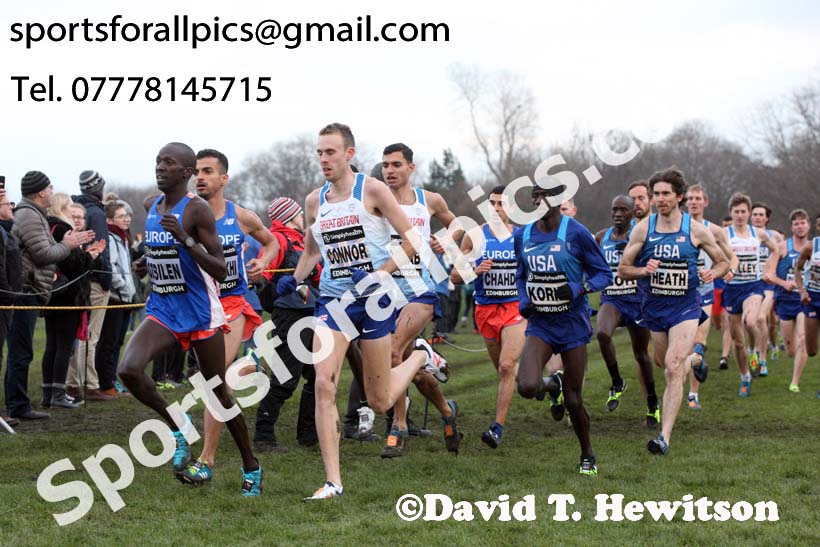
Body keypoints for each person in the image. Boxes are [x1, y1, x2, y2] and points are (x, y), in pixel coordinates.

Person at [278, 123, 448, 500]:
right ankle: (333, 482)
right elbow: (311, 250)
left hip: (374, 301)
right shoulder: (313, 201)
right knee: (324, 383)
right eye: (319, 152)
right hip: (334, 303)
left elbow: (414, 241)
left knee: (380, 400)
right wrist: (295, 278)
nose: (323, 159)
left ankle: (420, 355)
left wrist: (379, 274)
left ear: (349, 154)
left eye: (331, 152)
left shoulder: (371, 190)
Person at [118, 142, 262, 496]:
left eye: (169, 163)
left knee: (219, 395)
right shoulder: (152, 205)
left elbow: (220, 266)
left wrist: (183, 239)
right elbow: (159, 253)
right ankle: (178, 426)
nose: (160, 167)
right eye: (157, 161)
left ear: (186, 172)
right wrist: (146, 263)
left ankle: (251, 465)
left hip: (200, 311)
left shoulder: (196, 211)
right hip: (164, 308)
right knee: (129, 370)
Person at [168, 148, 276, 486]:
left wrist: (263, 264)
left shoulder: (240, 216)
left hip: (232, 303)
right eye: (197, 171)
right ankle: (251, 365)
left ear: (223, 179)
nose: (200, 177)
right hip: (196, 304)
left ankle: (206, 460)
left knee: (216, 384)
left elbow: (271, 242)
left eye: (208, 171)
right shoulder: (185, 213)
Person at [619, 167, 728, 456]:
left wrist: (711, 274)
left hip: (685, 306)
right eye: (656, 194)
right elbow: (623, 269)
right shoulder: (644, 228)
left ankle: (663, 437)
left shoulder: (694, 229)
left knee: (672, 366)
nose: (659, 198)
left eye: (666, 193)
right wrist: (644, 270)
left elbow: (723, 262)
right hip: (655, 306)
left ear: (679, 197)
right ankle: (697, 359)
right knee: (662, 361)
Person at [516, 183, 612, 475]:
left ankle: (587, 453)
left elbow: (603, 274)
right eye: (535, 197)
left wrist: (578, 287)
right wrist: (523, 300)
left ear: (558, 201)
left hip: (571, 323)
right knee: (527, 386)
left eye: (545, 196)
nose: (539, 201)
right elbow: (521, 275)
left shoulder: (577, 233)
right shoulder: (523, 234)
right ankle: (551, 385)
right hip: (541, 323)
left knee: (573, 399)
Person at [6, 172, 94, 420]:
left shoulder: (35, 215)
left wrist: (66, 243)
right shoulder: (29, 216)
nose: (52, 191)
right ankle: (17, 406)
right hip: (25, 291)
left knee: (24, 350)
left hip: (32, 290)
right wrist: (69, 244)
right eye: (50, 187)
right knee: (20, 351)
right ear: (41, 192)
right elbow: (44, 254)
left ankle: (19, 403)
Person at [450, 185, 525, 447]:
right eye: (492, 204)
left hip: (515, 307)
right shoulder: (474, 236)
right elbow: (454, 277)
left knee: (507, 366)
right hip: (485, 309)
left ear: (512, 208)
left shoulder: (522, 236)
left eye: (501, 204)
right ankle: (549, 386)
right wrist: (475, 270)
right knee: (507, 374)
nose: (495, 209)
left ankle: (497, 428)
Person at [253, 197, 321, 453]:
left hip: (313, 312)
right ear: (290, 215)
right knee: (285, 378)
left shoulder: (304, 239)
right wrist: (273, 288)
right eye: (298, 213)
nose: (302, 217)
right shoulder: (278, 239)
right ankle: (263, 436)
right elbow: (262, 274)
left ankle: (308, 433)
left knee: (317, 376)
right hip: (290, 316)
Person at [593, 195, 659, 426]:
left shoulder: (640, 235)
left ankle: (652, 403)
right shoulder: (602, 237)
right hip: (612, 298)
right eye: (614, 209)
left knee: (641, 355)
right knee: (602, 334)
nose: (618, 214)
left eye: (623, 210)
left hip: (637, 300)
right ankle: (617, 382)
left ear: (633, 212)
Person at [42, 193, 106, 410]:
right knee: (63, 347)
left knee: (52, 345)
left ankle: (48, 392)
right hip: (68, 296)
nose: (72, 209)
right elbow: (73, 265)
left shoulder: (48, 227)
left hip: (54, 295)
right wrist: (91, 257)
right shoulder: (62, 229)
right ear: (61, 207)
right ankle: (58, 393)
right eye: (70, 205)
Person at [682, 184, 736, 410]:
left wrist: (729, 269)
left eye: (698, 198)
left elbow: (731, 257)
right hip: (678, 293)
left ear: (706, 202)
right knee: (675, 352)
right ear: (685, 202)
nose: (694, 202)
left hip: (704, 290)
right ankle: (696, 360)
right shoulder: (676, 226)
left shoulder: (715, 230)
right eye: (690, 198)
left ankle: (693, 394)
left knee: (698, 341)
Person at [723, 192, 778, 395]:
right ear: (731, 212)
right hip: (732, 289)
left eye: (743, 211)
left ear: (748, 212)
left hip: (753, 287)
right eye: (736, 212)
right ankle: (745, 377)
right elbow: (715, 253)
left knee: (751, 321)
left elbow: (776, 251)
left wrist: (769, 270)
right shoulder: (724, 234)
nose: (739, 215)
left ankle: (755, 351)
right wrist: (723, 269)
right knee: (738, 341)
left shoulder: (759, 234)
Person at [67, 171, 114, 402]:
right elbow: (100, 248)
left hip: (87, 278)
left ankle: (74, 382)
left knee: (83, 334)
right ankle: (88, 384)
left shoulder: (85, 208)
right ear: (98, 187)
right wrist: (106, 279)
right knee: (90, 335)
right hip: (95, 280)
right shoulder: (95, 212)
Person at [764, 209, 811, 392]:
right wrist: (784, 284)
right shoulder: (782, 247)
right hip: (784, 300)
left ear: (808, 225)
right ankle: (788, 350)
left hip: (804, 300)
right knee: (791, 349)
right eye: (796, 223)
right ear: (792, 227)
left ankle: (795, 382)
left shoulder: (814, 247)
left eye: (803, 222)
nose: (800, 226)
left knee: (803, 337)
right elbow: (769, 274)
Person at [94, 200, 136, 397]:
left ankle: (112, 379)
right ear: (110, 219)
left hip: (126, 297)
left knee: (118, 341)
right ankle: (105, 383)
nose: (126, 219)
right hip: (115, 298)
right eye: (121, 216)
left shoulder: (123, 237)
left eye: (127, 215)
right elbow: (112, 268)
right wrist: (125, 286)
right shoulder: (110, 238)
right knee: (108, 342)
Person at [0, 189, 21, 428]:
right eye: (7, 203)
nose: (11, 207)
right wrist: (8, 296)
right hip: (3, 301)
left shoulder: (7, 232)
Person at [751, 202, 782, 364]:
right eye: (755, 214)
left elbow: (780, 255)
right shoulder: (746, 235)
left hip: (768, 284)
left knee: (763, 319)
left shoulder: (775, 236)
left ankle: (762, 357)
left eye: (761, 215)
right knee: (752, 321)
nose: (757, 218)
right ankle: (756, 349)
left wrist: (772, 271)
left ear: (766, 218)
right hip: (750, 283)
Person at [794, 224, 820, 398]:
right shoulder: (811, 246)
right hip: (813, 300)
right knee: (811, 350)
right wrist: (802, 290)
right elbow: (798, 268)